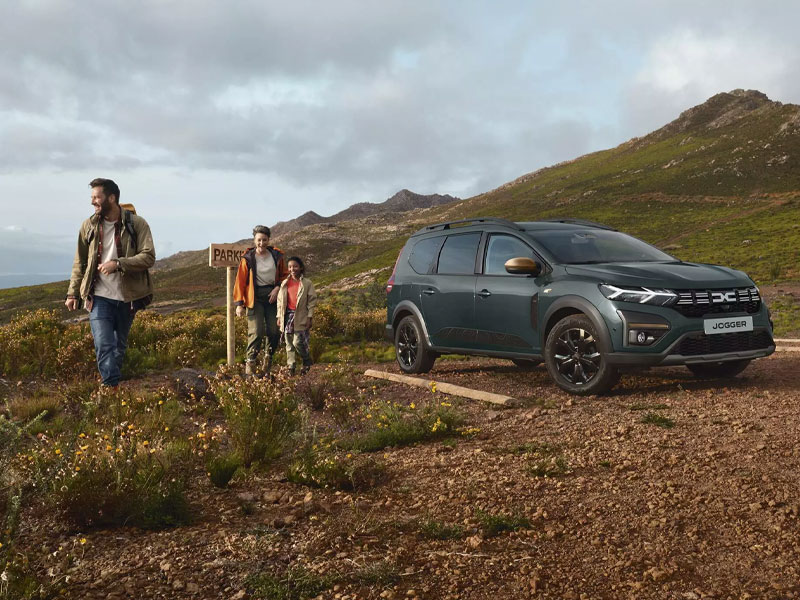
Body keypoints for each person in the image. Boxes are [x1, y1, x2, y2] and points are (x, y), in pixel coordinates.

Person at [65, 178, 155, 387]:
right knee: (104, 344)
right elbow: (80, 262)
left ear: (111, 198)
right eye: (92, 197)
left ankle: (112, 384)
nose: (93, 202)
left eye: (97, 197)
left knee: (118, 347)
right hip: (99, 296)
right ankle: (110, 388)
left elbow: (149, 256)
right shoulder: (88, 225)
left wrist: (118, 263)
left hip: (128, 297)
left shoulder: (137, 223)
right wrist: (72, 294)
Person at [234, 225, 288, 376]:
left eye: (264, 240)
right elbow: (240, 281)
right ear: (254, 240)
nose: (262, 243)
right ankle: (250, 365)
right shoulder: (248, 258)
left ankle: (267, 360)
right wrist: (239, 304)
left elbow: (284, 275)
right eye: (259, 240)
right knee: (256, 332)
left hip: (272, 297)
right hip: (254, 298)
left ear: (269, 239)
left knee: (274, 331)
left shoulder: (277, 256)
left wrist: (277, 288)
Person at [276, 256, 317, 375]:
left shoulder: (307, 283)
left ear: (301, 268)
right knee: (288, 343)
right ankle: (291, 366)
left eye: (295, 266)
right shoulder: (284, 283)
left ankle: (306, 360)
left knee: (297, 342)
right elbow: (280, 301)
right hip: (287, 316)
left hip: (301, 316)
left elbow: (311, 301)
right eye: (290, 267)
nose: (292, 269)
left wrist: (310, 317)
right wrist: (279, 316)